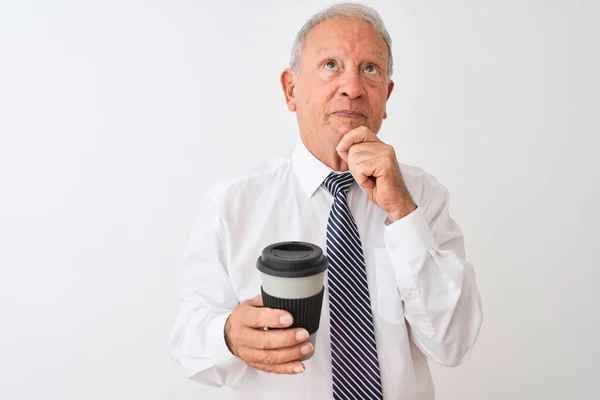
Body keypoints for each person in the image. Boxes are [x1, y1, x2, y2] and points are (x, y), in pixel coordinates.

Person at [170, 3, 483, 399]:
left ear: (386, 96)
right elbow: (187, 342)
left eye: (370, 69)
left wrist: (402, 213)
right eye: (331, 65)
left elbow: (453, 343)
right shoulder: (233, 205)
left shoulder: (423, 197)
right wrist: (229, 335)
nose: (352, 87)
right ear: (291, 90)